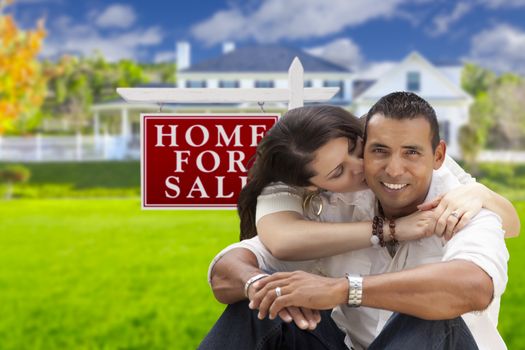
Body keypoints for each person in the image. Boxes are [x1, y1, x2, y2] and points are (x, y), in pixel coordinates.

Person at [201, 94, 512, 349]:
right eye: (378, 151)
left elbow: (473, 287)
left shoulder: (462, 203)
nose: (392, 169)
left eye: (411, 153)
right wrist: (259, 286)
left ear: (438, 155)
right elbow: (229, 269)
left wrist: (344, 290)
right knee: (259, 306)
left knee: (433, 307)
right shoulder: (333, 204)